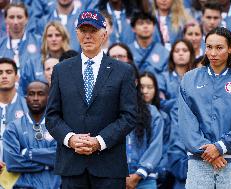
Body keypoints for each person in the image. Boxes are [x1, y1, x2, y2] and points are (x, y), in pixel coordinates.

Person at [46, 10, 137, 189]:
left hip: (109, 166)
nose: (88, 35)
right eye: (83, 30)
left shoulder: (123, 71)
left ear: (104, 34)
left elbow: (129, 116)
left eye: (93, 30)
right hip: (72, 166)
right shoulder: (61, 70)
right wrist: (70, 139)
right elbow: (52, 116)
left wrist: (100, 141)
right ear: (77, 33)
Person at [178, 27, 231, 188]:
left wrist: (221, 147)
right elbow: (186, 123)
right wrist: (208, 151)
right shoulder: (189, 79)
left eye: (219, 47)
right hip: (199, 162)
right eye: (209, 47)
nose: (213, 53)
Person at [3, 81, 61, 188]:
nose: (35, 98)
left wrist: (27, 153)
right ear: (25, 98)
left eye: (40, 94)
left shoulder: (59, 126)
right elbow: (12, 163)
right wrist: (46, 165)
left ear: (49, 97)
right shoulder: (13, 128)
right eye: (31, 94)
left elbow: (61, 157)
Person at [126, 65, 164, 189]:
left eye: (149, 87)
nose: (145, 91)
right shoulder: (114, 110)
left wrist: (138, 174)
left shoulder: (153, 113)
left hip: (145, 179)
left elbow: (156, 146)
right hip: (118, 177)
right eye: (142, 87)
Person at [0, 58, 28, 173]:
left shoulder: (29, 107)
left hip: (21, 175)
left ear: (17, 77)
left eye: (9, 72)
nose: (4, 76)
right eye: (0, 73)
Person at [158, 39, 195, 114]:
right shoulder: (163, 78)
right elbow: (161, 103)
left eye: (184, 50)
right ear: (172, 55)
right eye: (177, 51)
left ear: (191, 54)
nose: (181, 53)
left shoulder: (197, 77)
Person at [129, 11, 169, 80]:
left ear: (154, 27)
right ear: (133, 29)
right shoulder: (127, 51)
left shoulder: (164, 52)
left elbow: (166, 78)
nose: (145, 26)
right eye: (141, 23)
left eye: (148, 23)